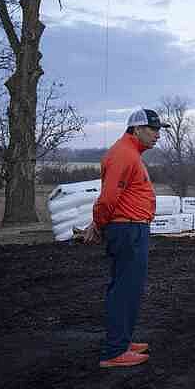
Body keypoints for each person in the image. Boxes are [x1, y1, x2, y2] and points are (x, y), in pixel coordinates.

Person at [83, 108, 169, 368]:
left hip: (132, 228)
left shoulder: (130, 154)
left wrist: (98, 223)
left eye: (158, 130)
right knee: (125, 289)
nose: (157, 135)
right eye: (153, 129)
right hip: (128, 230)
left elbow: (116, 197)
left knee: (129, 287)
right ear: (137, 129)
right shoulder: (123, 154)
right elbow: (108, 198)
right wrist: (97, 224)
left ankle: (122, 341)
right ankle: (115, 351)